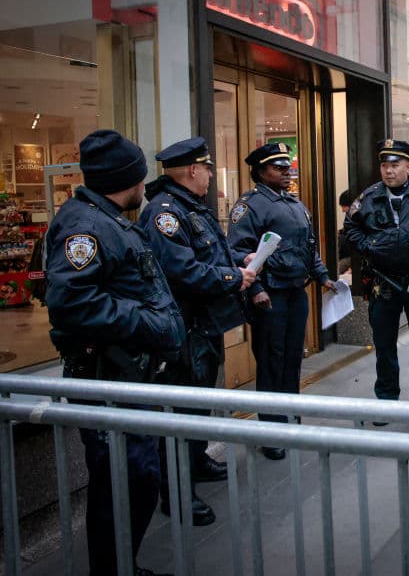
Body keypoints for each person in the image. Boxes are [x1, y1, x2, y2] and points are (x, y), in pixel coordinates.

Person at [46, 129, 186, 576]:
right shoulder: (86, 227)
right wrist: (149, 322)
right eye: (140, 177)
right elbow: (73, 303)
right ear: (127, 179)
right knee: (124, 482)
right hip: (108, 379)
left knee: (135, 478)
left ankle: (122, 564)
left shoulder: (107, 219)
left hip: (127, 377)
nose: (144, 186)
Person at [140, 137, 256, 526]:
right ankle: (176, 492)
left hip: (204, 326)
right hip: (184, 330)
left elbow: (211, 253)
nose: (210, 176)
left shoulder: (192, 208)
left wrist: (239, 259)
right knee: (181, 412)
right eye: (207, 169)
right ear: (193, 170)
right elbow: (182, 271)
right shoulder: (165, 214)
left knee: (198, 404)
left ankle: (196, 460)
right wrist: (232, 277)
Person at [227, 143, 336, 460]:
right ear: (261, 172)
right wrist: (256, 289)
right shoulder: (250, 206)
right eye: (279, 168)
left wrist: (323, 276)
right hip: (269, 295)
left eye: (288, 167)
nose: (287, 172)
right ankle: (272, 431)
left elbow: (309, 246)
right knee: (271, 363)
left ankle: (291, 422)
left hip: (295, 293)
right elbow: (239, 251)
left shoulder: (294, 204)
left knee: (292, 360)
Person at [343, 139, 409, 412]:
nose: (389, 171)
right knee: (384, 346)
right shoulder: (368, 198)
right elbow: (350, 229)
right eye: (384, 165)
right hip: (383, 283)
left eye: (395, 165)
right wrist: (369, 246)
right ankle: (387, 401)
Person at [337, 190, 355, 275]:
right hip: (346, 254)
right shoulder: (350, 216)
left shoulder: (356, 217)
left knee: (336, 269)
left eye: (343, 206)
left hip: (351, 256)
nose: (342, 210)